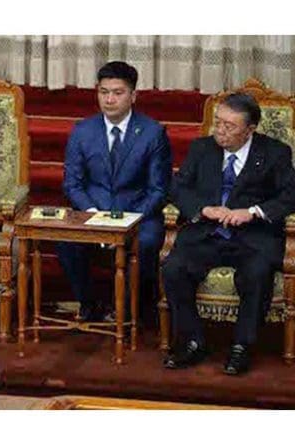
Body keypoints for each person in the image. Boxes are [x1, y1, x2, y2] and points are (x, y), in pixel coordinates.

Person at [161, 93, 295, 375]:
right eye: (218, 123)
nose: (220, 131)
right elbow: (177, 188)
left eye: (229, 126)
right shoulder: (202, 149)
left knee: (256, 273)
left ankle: (241, 346)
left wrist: (254, 211)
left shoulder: (275, 153)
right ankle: (193, 340)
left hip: (253, 237)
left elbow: (289, 196)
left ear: (250, 129)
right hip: (208, 233)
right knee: (174, 267)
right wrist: (203, 209)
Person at [57, 61, 172, 323]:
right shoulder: (82, 131)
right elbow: (72, 184)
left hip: (137, 215)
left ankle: (131, 311)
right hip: (92, 212)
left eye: (117, 93)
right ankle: (90, 304)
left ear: (133, 96)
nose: (109, 99)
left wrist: (124, 223)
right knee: (66, 241)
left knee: (147, 242)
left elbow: (158, 189)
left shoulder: (153, 133)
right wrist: (94, 215)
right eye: (103, 92)